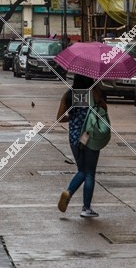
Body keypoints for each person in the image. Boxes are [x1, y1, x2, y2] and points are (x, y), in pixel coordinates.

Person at [56, 76, 108, 219]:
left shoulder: (69, 95)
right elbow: (104, 109)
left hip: (74, 138)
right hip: (90, 136)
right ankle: (86, 207)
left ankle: (69, 192)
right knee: (90, 173)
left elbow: (59, 118)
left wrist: (73, 118)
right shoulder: (94, 93)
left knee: (82, 170)